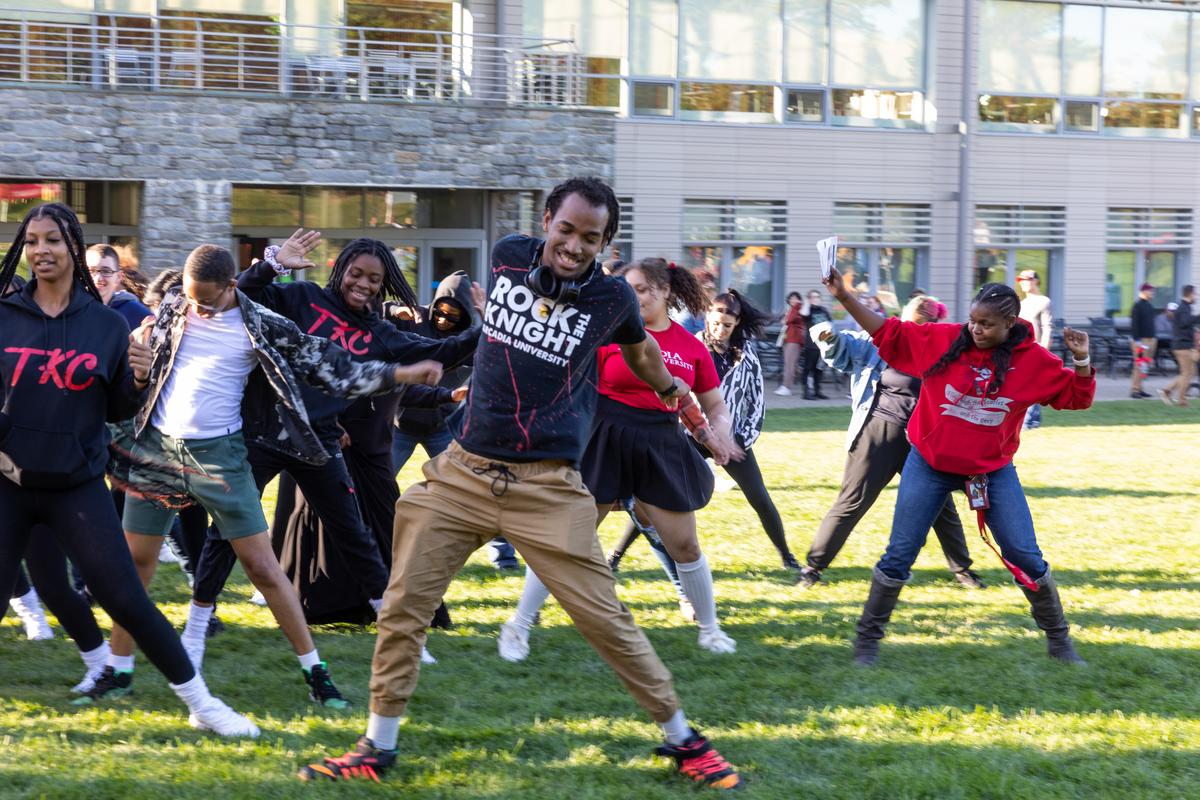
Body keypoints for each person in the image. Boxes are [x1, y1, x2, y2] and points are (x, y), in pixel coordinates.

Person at [299, 178, 742, 790]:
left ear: (605, 243)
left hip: (549, 485)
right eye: (566, 230)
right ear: (547, 222)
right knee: (403, 609)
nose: (574, 245)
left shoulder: (611, 299)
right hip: (464, 472)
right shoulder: (509, 254)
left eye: (591, 238)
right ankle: (378, 746)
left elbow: (641, 353)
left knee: (605, 620)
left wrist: (676, 394)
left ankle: (685, 740)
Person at [107, 244, 443, 709]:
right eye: (190, 298)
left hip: (221, 458)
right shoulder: (173, 309)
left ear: (230, 286)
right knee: (135, 566)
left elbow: (337, 371)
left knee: (264, 569)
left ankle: (317, 675)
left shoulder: (261, 325)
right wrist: (139, 366)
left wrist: (403, 373)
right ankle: (116, 672)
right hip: (158, 451)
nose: (198, 309)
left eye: (207, 299)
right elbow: (143, 373)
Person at [0, 203, 256, 736]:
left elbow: (117, 410)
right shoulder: (3, 314)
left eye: (51, 240)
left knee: (126, 597)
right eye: (31, 241)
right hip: (8, 485)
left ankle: (203, 705)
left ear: (73, 247)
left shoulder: (107, 326)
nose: (40, 250)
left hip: (76, 487)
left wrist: (138, 380)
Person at [187, 233, 481, 628]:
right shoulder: (302, 298)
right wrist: (274, 265)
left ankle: (389, 621)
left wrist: (490, 325)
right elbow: (242, 297)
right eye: (356, 274)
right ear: (340, 270)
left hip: (318, 443)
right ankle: (199, 619)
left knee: (353, 533)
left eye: (373, 279)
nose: (363, 284)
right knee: (227, 526)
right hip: (265, 432)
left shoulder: (380, 335)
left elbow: (446, 352)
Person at [823, 265, 1095, 667]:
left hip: (991, 469)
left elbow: (1077, 397)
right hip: (930, 463)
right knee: (900, 551)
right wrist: (844, 296)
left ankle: (1059, 641)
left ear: (1010, 323)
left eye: (986, 324)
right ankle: (867, 641)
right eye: (972, 320)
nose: (976, 329)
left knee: (1024, 553)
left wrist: (1082, 360)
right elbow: (888, 333)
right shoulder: (945, 339)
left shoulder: (1032, 361)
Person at [499, 257, 742, 660]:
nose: (635, 297)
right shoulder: (608, 332)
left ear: (665, 291)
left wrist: (720, 432)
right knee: (565, 539)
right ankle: (519, 625)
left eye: (643, 289)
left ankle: (710, 630)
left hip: (660, 442)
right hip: (605, 436)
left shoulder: (689, 345)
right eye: (628, 290)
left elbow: (714, 404)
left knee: (685, 545)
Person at [610, 290, 801, 576]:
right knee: (656, 499)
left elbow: (756, 405)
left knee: (760, 497)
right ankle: (615, 556)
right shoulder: (692, 345)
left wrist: (739, 441)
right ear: (707, 317)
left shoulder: (747, 355)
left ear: (736, 324)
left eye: (727, 325)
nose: (720, 329)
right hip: (689, 435)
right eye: (715, 322)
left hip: (731, 440)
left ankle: (787, 557)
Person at [801, 296, 982, 590]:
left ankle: (962, 570)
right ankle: (813, 567)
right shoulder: (880, 340)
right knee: (853, 500)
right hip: (879, 432)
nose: (914, 330)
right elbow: (841, 348)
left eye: (922, 325)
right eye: (911, 322)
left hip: (923, 439)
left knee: (941, 506)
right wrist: (827, 335)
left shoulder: (943, 351)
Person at [389, 271, 520, 571]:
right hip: (402, 425)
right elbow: (380, 311)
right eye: (442, 312)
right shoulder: (416, 319)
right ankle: (369, 541)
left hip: (441, 427)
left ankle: (505, 557)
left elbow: (503, 353)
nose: (445, 320)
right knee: (375, 482)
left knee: (475, 487)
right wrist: (396, 309)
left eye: (454, 315)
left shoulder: (469, 340)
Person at [1016, 269, 1053, 430]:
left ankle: (1028, 421)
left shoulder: (1044, 301)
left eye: (1028, 279)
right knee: (1028, 385)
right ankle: (1034, 420)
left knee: (1029, 385)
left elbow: (1047, 327)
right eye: (1021, 279)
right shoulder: (1022, 304)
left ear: (1036, 281)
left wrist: (1043, 351)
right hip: (1021, 349)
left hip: (1036, 349)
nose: (1024, 282)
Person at [1160, 285, 1196, 407]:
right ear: (1190, 294)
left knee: (1189, 372)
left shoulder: (1184, 307)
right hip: (1182, 346)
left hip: (1182, 344)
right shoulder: (1184, 308)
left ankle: (1167, 391)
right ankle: (1181, 400)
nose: (1196, 297)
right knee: (1187, 373)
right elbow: (1185, 322)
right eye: (1195, 294)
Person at [800, 289, 831, 399]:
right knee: (808, 368)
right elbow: (803, 314)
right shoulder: (808, 311)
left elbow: (830, 325)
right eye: (812, 297)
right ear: (809, 299)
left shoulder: (824, 310)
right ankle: (806, 392)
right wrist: (807, 302)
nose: (815, 299)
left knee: (819, 369)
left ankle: (817, 391)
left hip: (823, 345)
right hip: (811, 345)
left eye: (817, 297)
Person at [1130, 283, 1157, 398]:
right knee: (1139, 365)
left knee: (1145, 365)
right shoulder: (1138, 306)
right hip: (1141, 341)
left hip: (1151, 339)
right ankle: (1135, 390)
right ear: (1144, 292)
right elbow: (1134, 324)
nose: (1152, 293)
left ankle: (1141, 388)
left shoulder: (1149, 305)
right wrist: (1137, 340)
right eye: (1150, 291)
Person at [776, 291, 804, 396]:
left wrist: (786, 318)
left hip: (795, 339)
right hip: (788, 338)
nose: (793, 300)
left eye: (795, 298)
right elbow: (783, 320)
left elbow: (789, 319)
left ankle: (787, 387)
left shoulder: (798, 308)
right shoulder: (792, 309)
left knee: (790, 364)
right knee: (789, 364)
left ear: (799, 299)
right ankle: (787, 385)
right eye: (791, 298)